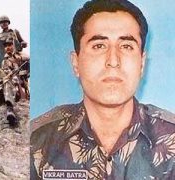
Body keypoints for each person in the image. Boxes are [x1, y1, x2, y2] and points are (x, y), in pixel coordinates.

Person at [30, 0, 175, 179]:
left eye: (126, 46)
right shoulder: (36, 141)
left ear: (142, 63)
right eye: (99, 46)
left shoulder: (171, 139)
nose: (113, 61)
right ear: (76, 62)